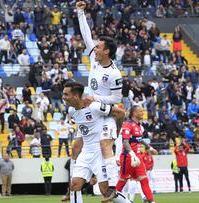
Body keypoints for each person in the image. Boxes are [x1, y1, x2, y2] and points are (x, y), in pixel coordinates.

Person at [75, 2, 123, 200]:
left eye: (99, 47)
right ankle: (90, 181)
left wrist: (95, 98)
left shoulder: (114, 74)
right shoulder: (95, 59)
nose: (95, 48)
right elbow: (86, 35)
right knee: (80, 144)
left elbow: (116, 99)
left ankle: (112, 186)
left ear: (107, 52)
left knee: (105, 145)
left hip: (106, 111)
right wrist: (80, 12)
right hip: (93, 111)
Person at [62, 82, 126, 203]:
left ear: (76, 96)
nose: (63, 97)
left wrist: (116, 132)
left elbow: (120, 113)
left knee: (105, 190)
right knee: (74, 185)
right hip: (86, 152)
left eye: (66, 94)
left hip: (100, 152)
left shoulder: (95, 107)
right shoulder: (71, 111)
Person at [115, 105, 158, 203]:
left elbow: (139, 139)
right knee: (123, 180)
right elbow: (125, 141)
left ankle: (151, 201)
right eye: (140, 111)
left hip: (137, 157)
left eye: (142, 111)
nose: (142, 112)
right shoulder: (127, 124)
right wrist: (132, 154)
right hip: (128, 157)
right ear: (134, 113)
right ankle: (113, 197)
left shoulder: (139, 126)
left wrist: (150, 148)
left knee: (144, 180)